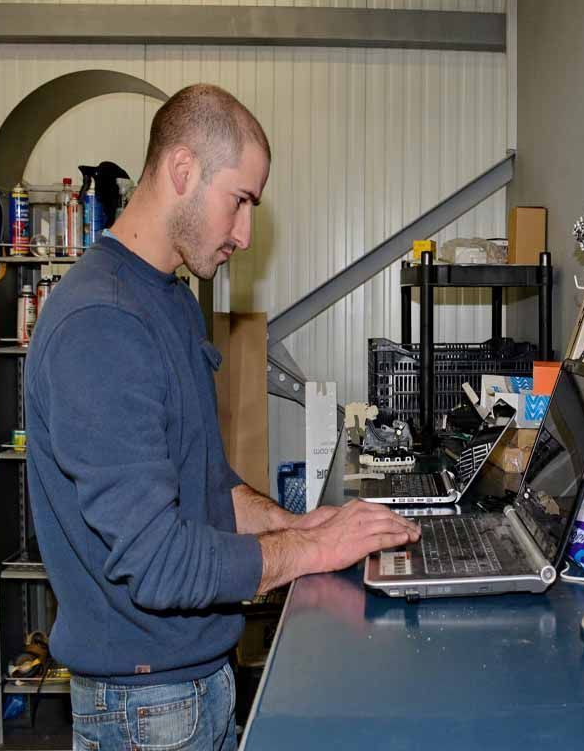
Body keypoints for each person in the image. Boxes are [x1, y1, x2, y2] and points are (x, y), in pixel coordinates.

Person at [25, 84, 420, 751]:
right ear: (183, 170)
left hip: (196, 682)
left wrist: (298, 524)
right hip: (144, 708)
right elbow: (157, 563)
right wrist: (311, 551)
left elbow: (208, 488)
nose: (243, 234)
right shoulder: (101, 323)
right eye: (240, 200)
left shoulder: (170, 302)